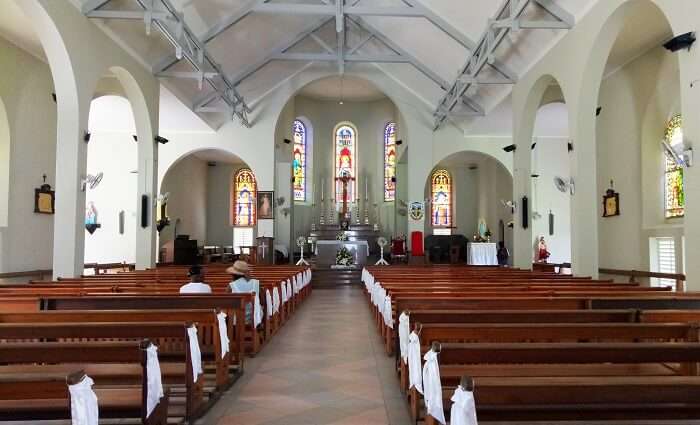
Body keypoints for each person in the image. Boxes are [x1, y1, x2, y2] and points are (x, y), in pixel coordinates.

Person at [226, 260, 262, 327]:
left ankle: (231, 332)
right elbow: (261, 301)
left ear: (233, 274)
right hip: (255, 317)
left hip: (237, 318)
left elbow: (227, 304)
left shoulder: (231, 286)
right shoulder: (256, 283)